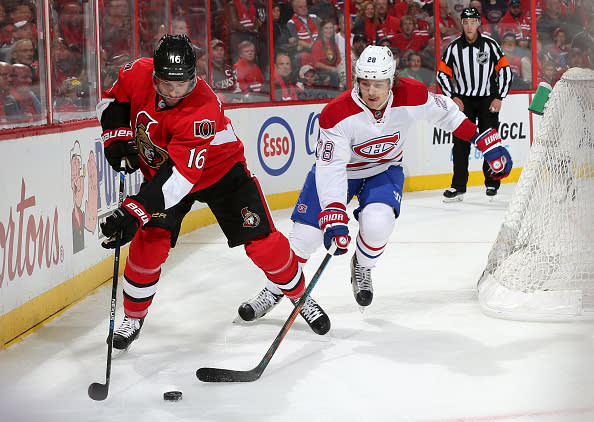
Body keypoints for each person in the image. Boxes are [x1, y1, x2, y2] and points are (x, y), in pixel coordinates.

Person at [238, 45, 512, 317]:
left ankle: (363, 265)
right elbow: (331, 165)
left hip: (384, 169)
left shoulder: (412, 94)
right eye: (365, 83)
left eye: (379, 84)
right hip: (342, 173)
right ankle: (274, 289)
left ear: (391, 81)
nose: (371, 91)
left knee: (378, 223)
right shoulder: (337, 112)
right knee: (305, 239)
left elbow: (447, 114)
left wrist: (482, 140)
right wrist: (334, 213)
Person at [96, 34, 331, 351]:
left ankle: (298, 295)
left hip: (220, 174)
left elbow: (179, 179)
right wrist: (116, 138)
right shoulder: (136, 71)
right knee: (149, 245)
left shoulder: (202, 110)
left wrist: (134, 211)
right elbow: (112, 101)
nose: (175, 92)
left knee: (264, 245)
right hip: (165, 172)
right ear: (154, 75)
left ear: (194, 77)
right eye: (167, 84)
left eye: (182, 84)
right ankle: (133, 317)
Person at [437, 7, 513, 201]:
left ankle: (492, 182)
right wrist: (453, 96)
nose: (469, 26)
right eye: (466, 22)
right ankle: (458, 187)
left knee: (489, 141)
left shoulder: (490, 45)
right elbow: (442, 74)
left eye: (473, 22)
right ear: (461, 24)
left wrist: (499, 97)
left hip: (488, 99)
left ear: (478, 23)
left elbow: (504, 71)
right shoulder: (453, 48)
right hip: (464, 101)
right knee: (460, 144)